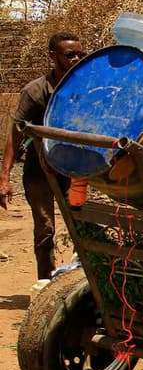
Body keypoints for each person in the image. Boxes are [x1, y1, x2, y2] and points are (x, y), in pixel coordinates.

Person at [0, 32, 86, 289]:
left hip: (73, 170)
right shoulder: (36, 91)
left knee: (82, 227)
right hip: (40, 170)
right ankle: (45, 285)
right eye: (69, 55)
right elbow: (15, 133)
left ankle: (85, 285)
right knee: (45, 229)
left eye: (80, 54)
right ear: (53, 56)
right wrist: (4, 178)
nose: (76, 59)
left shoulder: (85, 86)